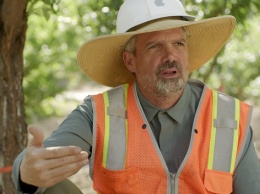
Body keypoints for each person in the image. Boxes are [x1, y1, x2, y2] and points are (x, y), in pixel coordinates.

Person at [13, 0, 260, 193]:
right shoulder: (98, 113)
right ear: (130, 60)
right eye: (155, 46)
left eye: (178, 44)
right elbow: (44, 155)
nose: (170, 56)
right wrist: (27, 170)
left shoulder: (230, 117)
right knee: (50, 189)